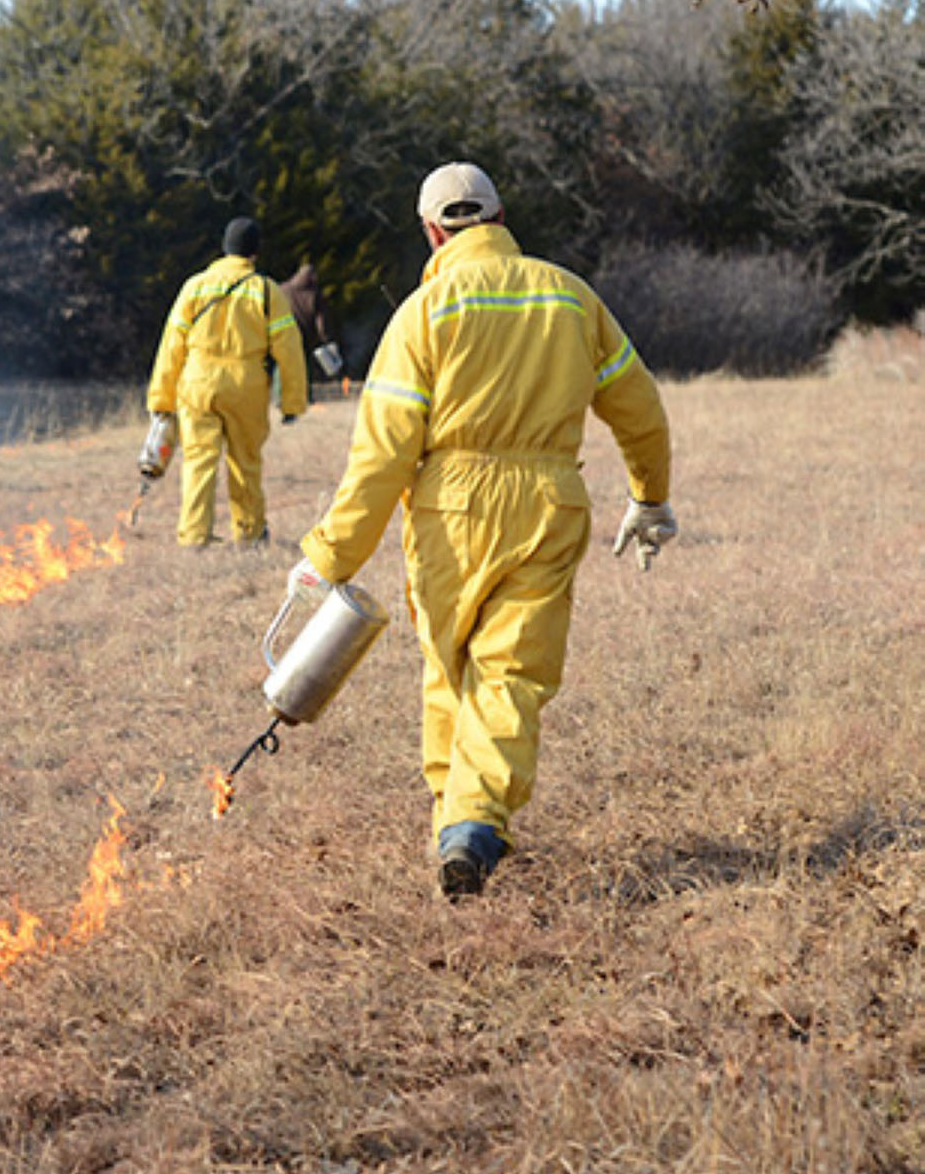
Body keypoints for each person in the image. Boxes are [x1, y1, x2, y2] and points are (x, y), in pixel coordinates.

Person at [288, 162, 676, 899]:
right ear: (500, 217)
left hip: (449, 510)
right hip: (549, 504)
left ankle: (458, 820)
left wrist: (329, 555)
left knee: (449, 668)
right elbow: (640, 408)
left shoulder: (423, 312)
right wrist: (650, 498)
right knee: (511, 674)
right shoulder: (571, 296)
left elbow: (383, 454)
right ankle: (470, 824)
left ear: (433, 232)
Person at [145, 217, 308, 547]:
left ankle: (193, 537)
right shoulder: (266, 290)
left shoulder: (195, 286)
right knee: (245, 462)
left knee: (198, 460)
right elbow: (289, 350)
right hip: (245, 384)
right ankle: (249, 534)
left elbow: (171, 345)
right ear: (255, 252)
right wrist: (292, 402)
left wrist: (161, 401)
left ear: (224, 248)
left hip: (197, 382)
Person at [282, 261, 345, 389]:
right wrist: (325, 338)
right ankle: (305, 395)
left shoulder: (283, 289)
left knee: (283, 365)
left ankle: (280, 397)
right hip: (306, 336)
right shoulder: (314, 294)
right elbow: (321, 322)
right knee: (305, 367)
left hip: (284, 335)